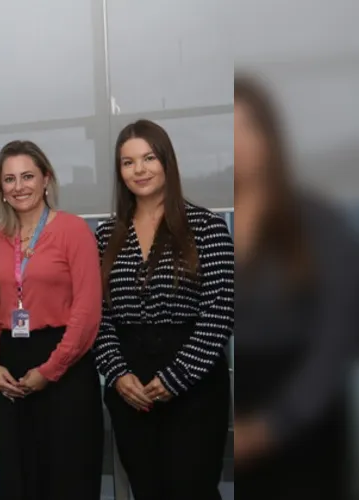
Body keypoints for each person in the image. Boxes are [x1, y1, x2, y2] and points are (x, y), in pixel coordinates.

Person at [232, 76, 359, 499]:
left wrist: (275, 425)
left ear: (270, 136)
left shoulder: (318, 220)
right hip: (236, 403)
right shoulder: (213, 229)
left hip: (305, 416)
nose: (237, 142)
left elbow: (338, 338)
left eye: (247, 126)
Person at [94, 119, 234, 500]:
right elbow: (99, 316)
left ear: (167, 162)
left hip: (195, 386)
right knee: (147, 490)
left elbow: (220, 313)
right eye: (128, 162)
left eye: (148, 158)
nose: (139, 170)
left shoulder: (208, 227)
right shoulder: (106, 236)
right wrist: (118, 375)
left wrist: (176, 379)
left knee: (194, 490)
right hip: (130, 389)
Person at [0, 141, 104, 500]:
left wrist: (50, 370)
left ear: (46, 179)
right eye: (9, 179)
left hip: (65, 363)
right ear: (0, 188)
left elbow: (87, 311)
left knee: (68, 475)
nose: (19, 186)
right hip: (10, 367)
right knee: (20, 476)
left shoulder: (73, 230)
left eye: (27, 176)